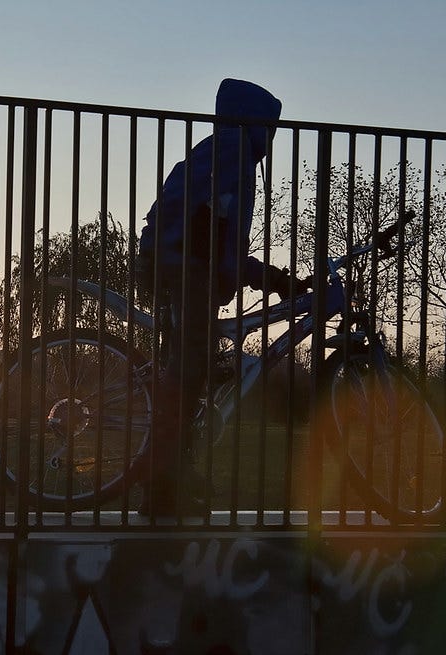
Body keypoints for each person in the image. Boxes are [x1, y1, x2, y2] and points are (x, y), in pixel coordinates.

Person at [135, 78, 305, 517]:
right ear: (257, 122)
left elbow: (218, 237)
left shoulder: (226, 150)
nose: (272, 137)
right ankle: (160, 480)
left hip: (183, 264)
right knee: (188, 370)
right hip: (185, 267)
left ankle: (172, 476)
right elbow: (215, 241)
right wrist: (269, 278)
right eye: (271, 126)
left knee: (187, 369)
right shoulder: (234, 151)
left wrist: (267, 277)